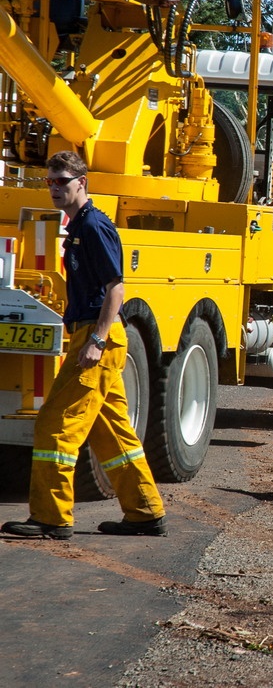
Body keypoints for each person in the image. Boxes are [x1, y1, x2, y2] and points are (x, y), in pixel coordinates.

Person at [2, 151, 166, 540]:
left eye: (63, 181)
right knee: (112, 433)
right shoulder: (78, 227)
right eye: (50, 182)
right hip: (90, 334)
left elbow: (117, 289)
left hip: (98, 337)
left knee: (54, 426)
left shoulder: (94, 227)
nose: (56, 188)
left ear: (82, 183)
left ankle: (51, 518)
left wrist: (95, 340)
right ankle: (145, 512)